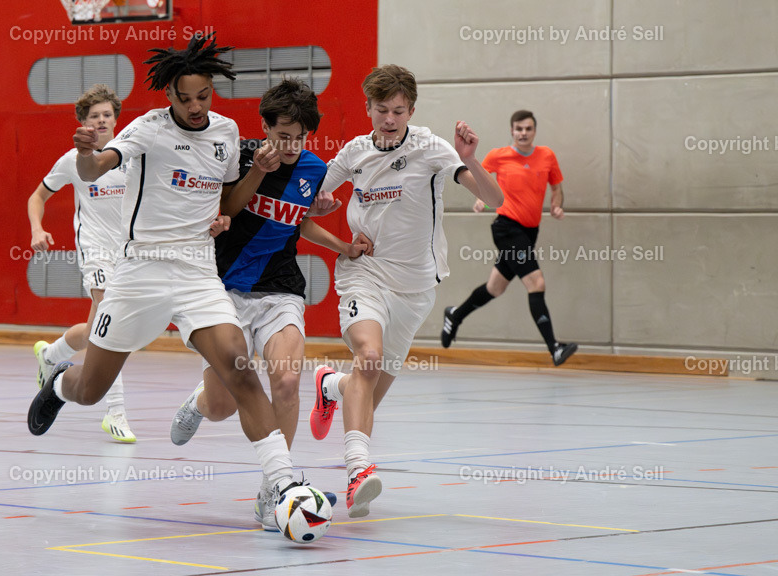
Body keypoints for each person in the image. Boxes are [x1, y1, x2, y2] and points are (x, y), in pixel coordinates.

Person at [26, 34, 316, 530]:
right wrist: (84, 155)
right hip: (140, 271)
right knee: (92, 389)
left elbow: (227, 204)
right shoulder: (146, 129)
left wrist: (258, 173)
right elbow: (97, 167)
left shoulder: (225, 134)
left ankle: (284, 483)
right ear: (170, 96)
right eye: (186, 98)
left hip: (198, 271)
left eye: (204, 95)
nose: (196, 106)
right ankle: (59, 381)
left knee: (240, 370)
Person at [167, 78, 370, 527]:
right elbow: (230, 208)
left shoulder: (313, 169)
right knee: (223, 404)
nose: (292, 146)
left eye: (299, 138)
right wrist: (258, 170)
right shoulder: (240, 158)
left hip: (280, 289)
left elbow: (296, 224)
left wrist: (342, 245)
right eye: (283, 136)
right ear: (264, 128)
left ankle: (273, 492)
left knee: (284, 381)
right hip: (225, 291)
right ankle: (199, 403)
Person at [308, 65, 503, 518]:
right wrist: (321, 205)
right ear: (368, 108)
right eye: (381, 110)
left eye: (398, 111)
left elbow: (495, 201)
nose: (390, 118)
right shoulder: (354, 152)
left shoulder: (432, 150)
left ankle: (330, 385)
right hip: (365, 273)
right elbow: (308, 202)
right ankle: (359, 473)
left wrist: (471, 158)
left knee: (365, 394)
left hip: (416, 290)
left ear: (411, 110)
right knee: (369, 361)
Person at [26, 84, 136, 443]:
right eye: (94, 116)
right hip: (96, 251)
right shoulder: (72, 160)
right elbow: (37, 196)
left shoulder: (133, 156)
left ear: (116, 119)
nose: (101, 120)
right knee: (111, 323)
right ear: (83, 123)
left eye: (107, 114)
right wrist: (37, 229)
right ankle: (115, 411)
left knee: (94, 334)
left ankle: (52, 353)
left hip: (130, 255)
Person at [440, 110, 578, 367]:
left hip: (529, 232)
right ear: (512, 131)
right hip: (506, 227)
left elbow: (556, 188)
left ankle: (455, 315)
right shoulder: (498, 156)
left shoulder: (546, 155)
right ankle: (554, 348)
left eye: (528, 129)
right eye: (518, 129)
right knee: (536, 283)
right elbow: (481, 179)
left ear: (534, 131)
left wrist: (556, 205)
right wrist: (480, 198)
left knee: (495, 287)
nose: (523, 133)